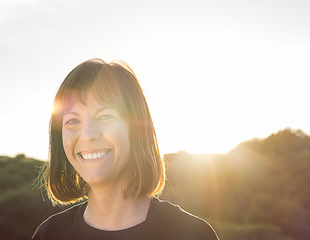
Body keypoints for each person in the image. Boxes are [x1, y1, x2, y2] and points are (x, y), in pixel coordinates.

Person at [32, 59, 219, 240]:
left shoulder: (192, 234)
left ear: (136, 129)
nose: (87, 135)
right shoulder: (49, 234)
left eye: (105, 116)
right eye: (72, 121)